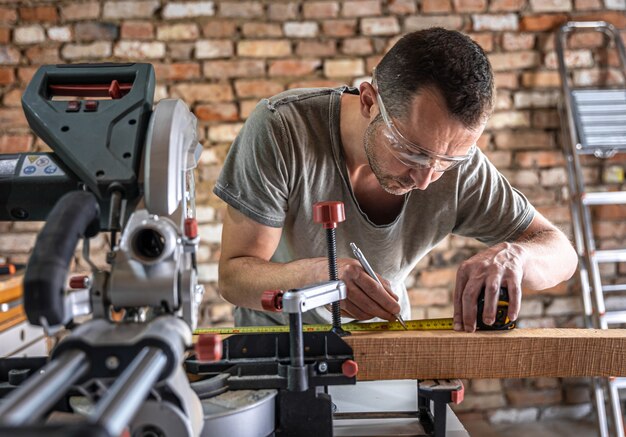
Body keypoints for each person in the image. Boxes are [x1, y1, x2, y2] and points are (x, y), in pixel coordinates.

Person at [213, 27, 577, 333]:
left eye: (448, 161)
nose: (426, 179)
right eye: (411, 152)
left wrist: (516, 257)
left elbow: (561, 252)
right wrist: (316, 275)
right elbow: (233, 277)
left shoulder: (456, 164)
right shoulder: (283, 130)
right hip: (276, 343)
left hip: (381, 340)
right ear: (369, 101)